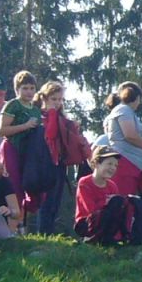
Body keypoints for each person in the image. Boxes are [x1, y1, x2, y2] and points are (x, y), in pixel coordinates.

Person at [35, 80, 93, 235]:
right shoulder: (40, 116)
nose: (57, 103)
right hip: (44, 162)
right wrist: (52, 113)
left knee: (56, 199)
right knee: (46, 200)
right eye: (53, 99)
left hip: (60, 162)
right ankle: (43, 232)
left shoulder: (62, 118)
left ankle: (49, 232)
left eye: (60, 99)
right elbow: (50, 134)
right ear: (44, 98)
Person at [0, 70, 44, 226]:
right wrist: (25, 125)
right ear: (17, 89)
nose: (29, 92)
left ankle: (23, 220)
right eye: (25, 88)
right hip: (12, 148)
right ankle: (14, 225)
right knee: (14, 186)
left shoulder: (35, 110)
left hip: (29, 152)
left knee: (33, 186)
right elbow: (2, 130)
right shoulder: (13, 105)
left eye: (32, 88)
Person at [102, 82, 142, 197]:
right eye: (139, 99)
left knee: (129, 200)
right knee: (124, 200)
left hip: (129, 163)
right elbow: (130, 134)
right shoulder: (124, 110)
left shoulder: (122, 111)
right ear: (135, 97)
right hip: (125, 163)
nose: (139, 103)